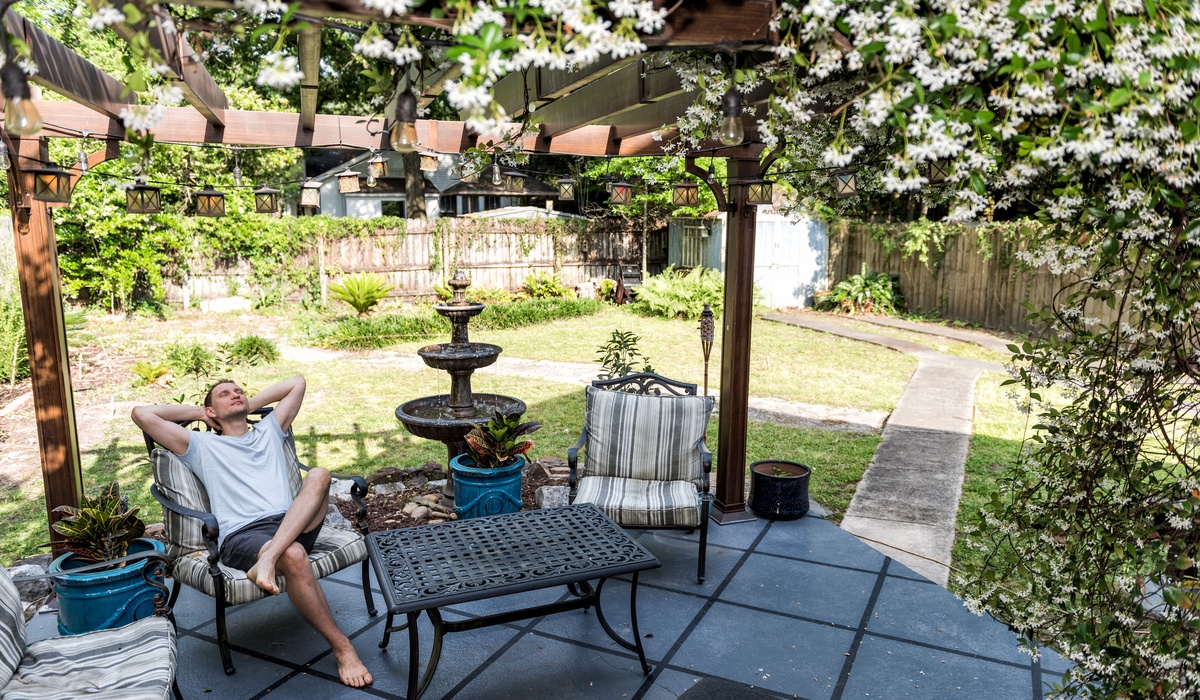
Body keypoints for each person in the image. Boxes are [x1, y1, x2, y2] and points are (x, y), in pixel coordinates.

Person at [132, 375, 372, 688]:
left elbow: (296, 383)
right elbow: (141, 414)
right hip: (243, 535)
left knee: (319, 474)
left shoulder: (270, 430)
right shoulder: (199, 445)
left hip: (292, 521)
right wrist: (203, 414)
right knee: (295, 554)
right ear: (211, 412)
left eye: (239, 391)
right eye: (224, 394)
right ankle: (343, 648)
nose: (235, 394)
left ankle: (269, 558)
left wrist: (246, 406)